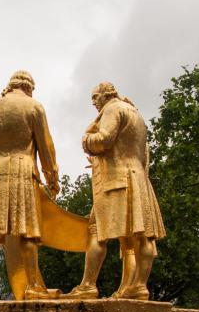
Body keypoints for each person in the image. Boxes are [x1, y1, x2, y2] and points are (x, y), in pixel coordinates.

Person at [66, 82, 165, 300]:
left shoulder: (112, 108)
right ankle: (139, 286)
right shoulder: (136, 113)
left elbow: (104, 140)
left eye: (95, 97)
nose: (93, 102)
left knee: (96, 230)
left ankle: (88, 285)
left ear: (107, 95)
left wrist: (86, 139)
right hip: (138, 179)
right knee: (143, 235)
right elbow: (144, 154)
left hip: (117, 181)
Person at [0, 70, 60, 300]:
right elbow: (45, 146)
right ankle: (32, 286)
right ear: (29, 87)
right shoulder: (33, 107)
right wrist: (52, 178)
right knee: (28, 233)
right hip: (24, 170)